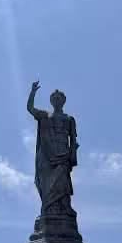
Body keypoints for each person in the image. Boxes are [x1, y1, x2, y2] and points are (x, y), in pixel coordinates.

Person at [27, 80, 79, 215]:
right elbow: (30, 109)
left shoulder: (69, 119)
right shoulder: (45, 116)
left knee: (64, 182)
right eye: (54, 98)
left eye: (59, 98)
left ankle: (65, 208)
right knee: (48, 183)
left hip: (64, 154)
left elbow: (73, 139)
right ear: (51, 101)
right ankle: (48, 208)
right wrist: (32, 92)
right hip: (48, 154)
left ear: (63, 101)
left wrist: (73, 154)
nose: (57, 100)